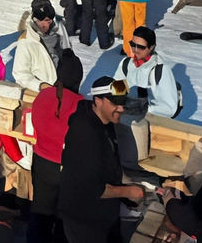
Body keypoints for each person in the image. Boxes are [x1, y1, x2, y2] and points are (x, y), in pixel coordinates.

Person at [59, 77, 143, 243]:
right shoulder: (85, 133)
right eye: (115, 104)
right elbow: (91, 189)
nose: (122, 109)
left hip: (102, 214)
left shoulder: (102, 120)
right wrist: (130, 192)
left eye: (123, 103)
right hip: (84, 218)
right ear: (97, 100)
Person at [28, 49, 84, 243]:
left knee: (39, 212)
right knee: (65, 217)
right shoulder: (82, 105)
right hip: (68, 168)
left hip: (42, 161)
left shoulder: (44, 96)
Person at [14, 0, 81, 93]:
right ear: (35, 19)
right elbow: (20, 74)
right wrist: (40, 85)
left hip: (65, 87)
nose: (47, 24)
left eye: (49, 21)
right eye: (44, 21)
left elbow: (68, 50)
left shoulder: (59, 29)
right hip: (45, 90)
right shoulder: (26, 41)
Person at [113, 26, 180, 118]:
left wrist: (145, 108)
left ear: (151, 47)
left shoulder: (160, 71)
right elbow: (116, 91)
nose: (135, 50)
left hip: (151, 123)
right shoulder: (126, 64)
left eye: (141, 47)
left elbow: (170, 109)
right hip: (125, 119)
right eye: (133, 44)